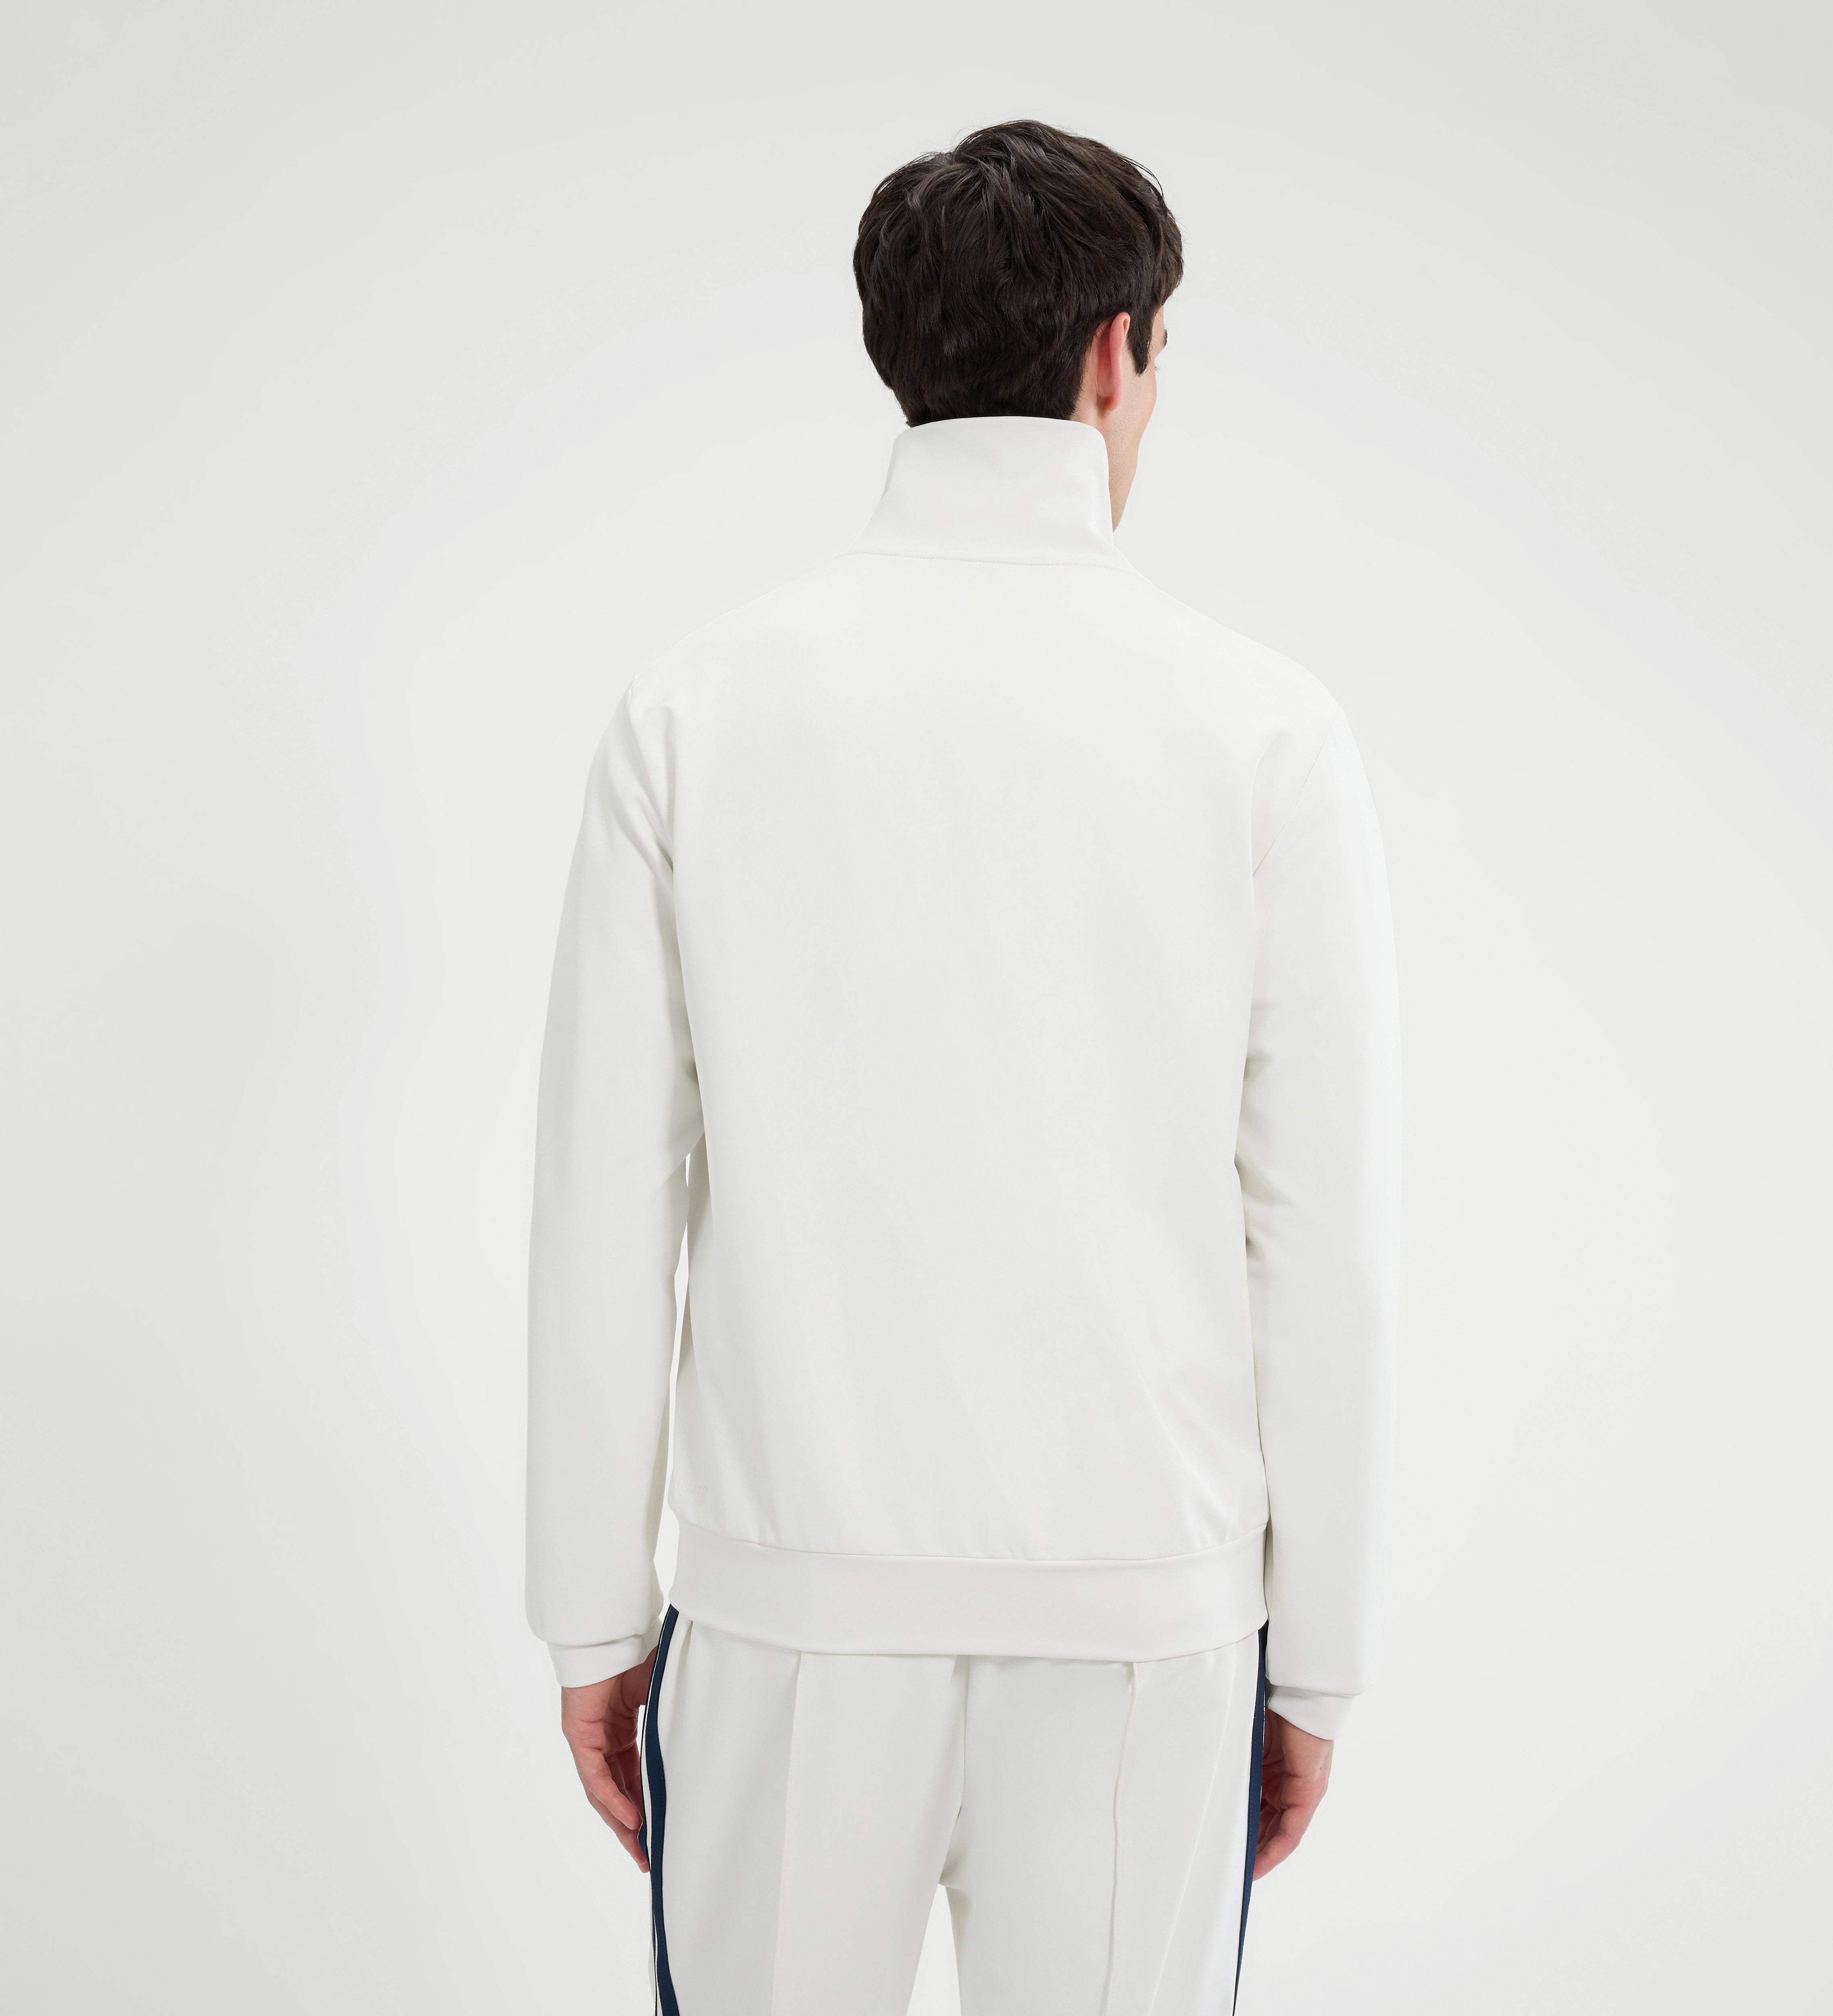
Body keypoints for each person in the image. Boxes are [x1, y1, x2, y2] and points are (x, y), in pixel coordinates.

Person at [525, 119, 1401, 2016]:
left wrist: (591, 1613)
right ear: (1114, 353)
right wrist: (1317, 1651)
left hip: (786, 1608)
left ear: (896, 352)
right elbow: (1319, 1236)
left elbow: (605, 1199)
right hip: (1143, 1618)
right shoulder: (1264, 730)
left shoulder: (693, 707)